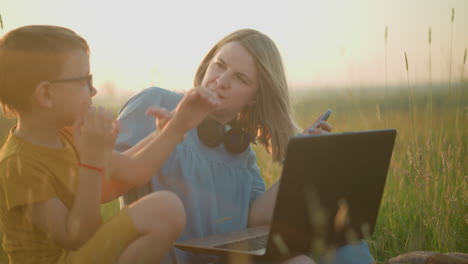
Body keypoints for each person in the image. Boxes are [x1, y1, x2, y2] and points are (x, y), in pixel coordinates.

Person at [116, 28, 374, 264]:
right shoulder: (157, 102)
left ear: (254, 98)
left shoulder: (240, 151)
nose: (221, 81)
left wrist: (302, 161)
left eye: (239, 78)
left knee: (338, 246)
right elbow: (108, 174)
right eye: (219, 65)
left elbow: (255, 219)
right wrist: (171, 131)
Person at [0, 25, 220, 264]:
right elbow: (77, 238)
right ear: (46, 94)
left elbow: (135, 172)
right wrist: (92, 161)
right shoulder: (18, 164)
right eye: (85, 80)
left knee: (166, 209)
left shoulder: (68, 135)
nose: (93, 90)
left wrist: (178, 125)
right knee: (164, 208)